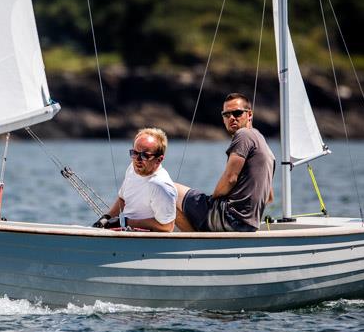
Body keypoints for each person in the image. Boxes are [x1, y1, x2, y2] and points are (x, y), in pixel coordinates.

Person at [174, 93, 275, 232]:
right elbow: (269, 197)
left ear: (249, 114)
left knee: (168, 191)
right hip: (249, 225)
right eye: (226, 114)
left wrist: (212, 200)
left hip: (229, 219)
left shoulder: (244, 135)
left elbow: (230, 179)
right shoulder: (262, 143)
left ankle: (195, 246)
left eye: (237, 113)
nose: (232, 118)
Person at [93, 128, 177, 232]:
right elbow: (123, 199)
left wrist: (126, 222)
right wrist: (106, 217)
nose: (137, 159)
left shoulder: (160, 185)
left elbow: (167, 227)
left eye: (145, 155)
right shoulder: (132, 169)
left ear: (159, 160)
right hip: (125, 231)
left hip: (146, 240)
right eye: (134, 153)